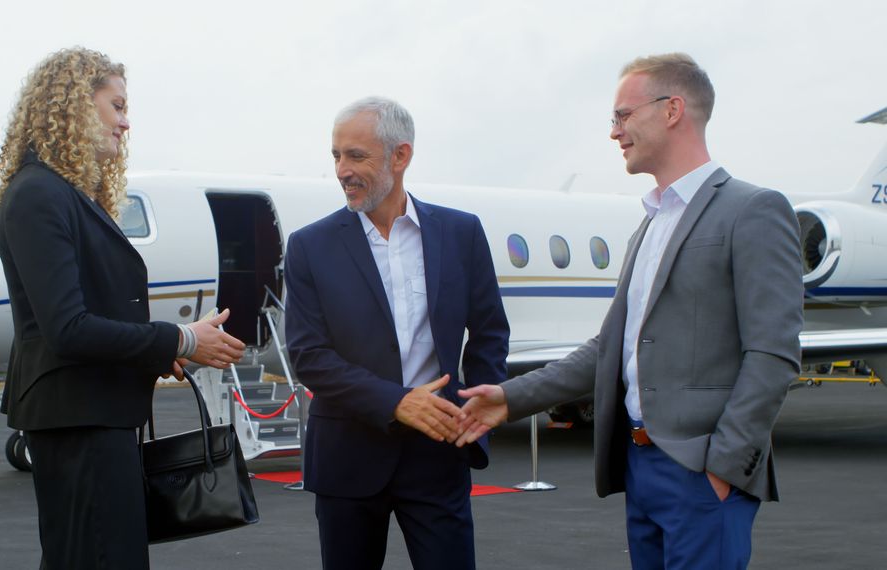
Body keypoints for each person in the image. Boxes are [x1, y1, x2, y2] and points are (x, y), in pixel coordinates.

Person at [457, 53, 803, 569]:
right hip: (641, 466)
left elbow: (773, 354)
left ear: (672, 110)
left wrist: (725, 466)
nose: (614, 131)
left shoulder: (753, 209)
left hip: (702, 471)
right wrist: (509, 398)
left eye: (623, 115)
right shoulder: (650, 222)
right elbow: (610, 348)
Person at [0, 47, 245, 569]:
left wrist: (163, 352)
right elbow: (68, 329)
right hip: (78, 419)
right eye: (118, 106)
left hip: (94, 415)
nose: (126, 123)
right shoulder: (39, 194)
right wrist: (181, 338)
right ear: (75, 107)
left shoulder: (62, 194)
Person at [284, 96, 510, 570]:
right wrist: (396, 402)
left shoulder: (461, 233)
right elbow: (309, 356)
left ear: (400, 155)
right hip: (348, 457)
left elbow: (489, 331)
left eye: (356, 156)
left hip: (440, 452)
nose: (342, 170)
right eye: (336, 156)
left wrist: (474, 413)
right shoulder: (309, 246)